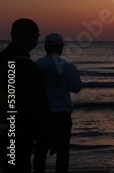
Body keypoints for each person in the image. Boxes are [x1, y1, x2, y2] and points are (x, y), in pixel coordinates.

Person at [0, 18, 51, 172]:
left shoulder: (2, 59)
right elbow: (38, 105)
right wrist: (45, 135)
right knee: (19, 165)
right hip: (19, 131)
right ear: (33, 37)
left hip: (4, 127)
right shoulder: (27, 67)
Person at [33, 33, 82, 173]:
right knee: (63, 152)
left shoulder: (36, 66)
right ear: (60, 48)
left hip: (41, 115)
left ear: (45, 47)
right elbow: (76, 88)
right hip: (62, 116)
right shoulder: (68, 67)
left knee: (40, 150)